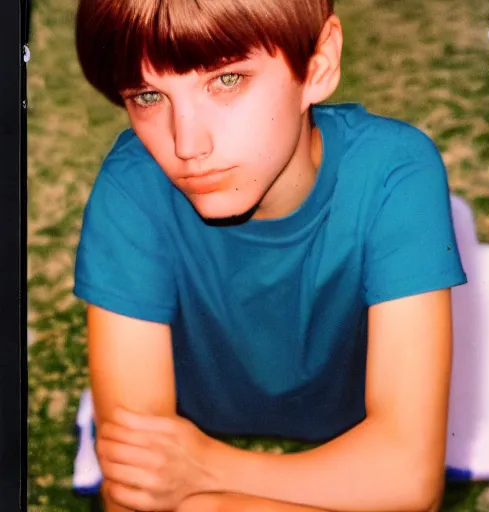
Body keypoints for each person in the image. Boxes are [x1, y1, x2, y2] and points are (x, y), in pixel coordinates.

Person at [73, 0, 467, 510]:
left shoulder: (395, 169)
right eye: (149, 96)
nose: (187, 143)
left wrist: (206, 479)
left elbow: (408, 482)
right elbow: (137, 487)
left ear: (318, 64)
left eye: (228, 80)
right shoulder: (132, 186)